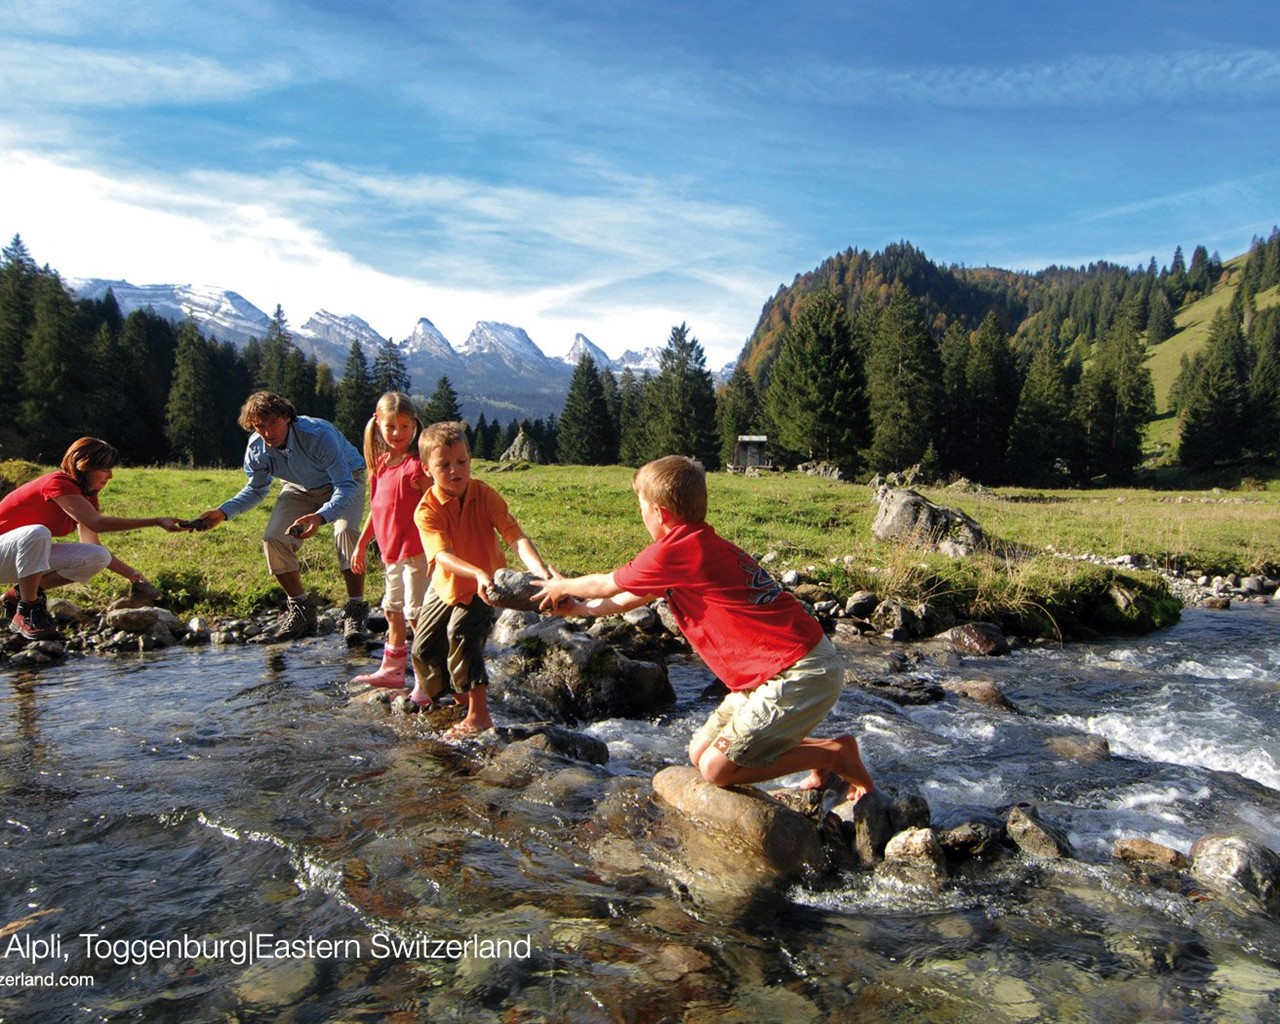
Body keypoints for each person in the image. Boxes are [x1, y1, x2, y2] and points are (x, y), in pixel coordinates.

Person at [535, 455, 874, 798]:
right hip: (771, 673)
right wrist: (580, 608)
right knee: (699, 753)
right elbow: (627, 598)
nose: (640, 514)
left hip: (799, 670)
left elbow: (607, 585)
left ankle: (835, 755)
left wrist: (562, 586)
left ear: (660, 513)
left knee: (717, 768)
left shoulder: (674, 553)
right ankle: (824, 754)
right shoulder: (692, 547)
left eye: (641, 506)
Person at [410, 420, 552, 736]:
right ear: (426, 469)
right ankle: (456, 697)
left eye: (461, 462)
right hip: (447, 582)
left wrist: (539, 569)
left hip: (485, 585)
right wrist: (472, 571)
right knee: (423, 649)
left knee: (462, 634)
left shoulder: (485, 495)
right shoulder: (427, 509)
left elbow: (514, 536)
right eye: (443, 465)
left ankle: (480, 713)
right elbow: (441, 556)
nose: (454, 470)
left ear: (470, 458)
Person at [196, 391, 369, 644]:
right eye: (259, 426)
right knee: (273, 538)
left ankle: (356, 610)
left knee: (345, 531)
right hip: (297, 488)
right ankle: (301, 609)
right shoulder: (257, 447)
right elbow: (256, 489)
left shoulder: (319, 435)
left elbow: (344, 485)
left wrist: (320, 517)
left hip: (347, 480)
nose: (267, 432)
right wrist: (223, 513)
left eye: (272, 423)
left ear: (287, 417)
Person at [0, 437, 184, 641]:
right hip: (5, 553)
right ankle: (27, 611)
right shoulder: (57, 483)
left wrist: (131, 574)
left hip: (17, 560)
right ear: (83, 465)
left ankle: (17, 596)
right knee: (37, 532)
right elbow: (97, 522)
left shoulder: (86, 494)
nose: (110, 476)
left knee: (98, 556)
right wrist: (156, 521)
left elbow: (91, 542)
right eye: (105, 469)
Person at [350, 392, 432, 687]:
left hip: (417, 553)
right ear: (379, 427)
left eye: (405, 427)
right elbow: (375, 509)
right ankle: (393, 670)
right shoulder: (381, 465)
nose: (398, 434)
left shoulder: (417, 466)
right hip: (391, 553)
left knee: (415, 614)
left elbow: (437, 507)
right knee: (391, 609)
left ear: (415, 426)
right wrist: (361, 544)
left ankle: (428, 677)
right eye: (391, 427)